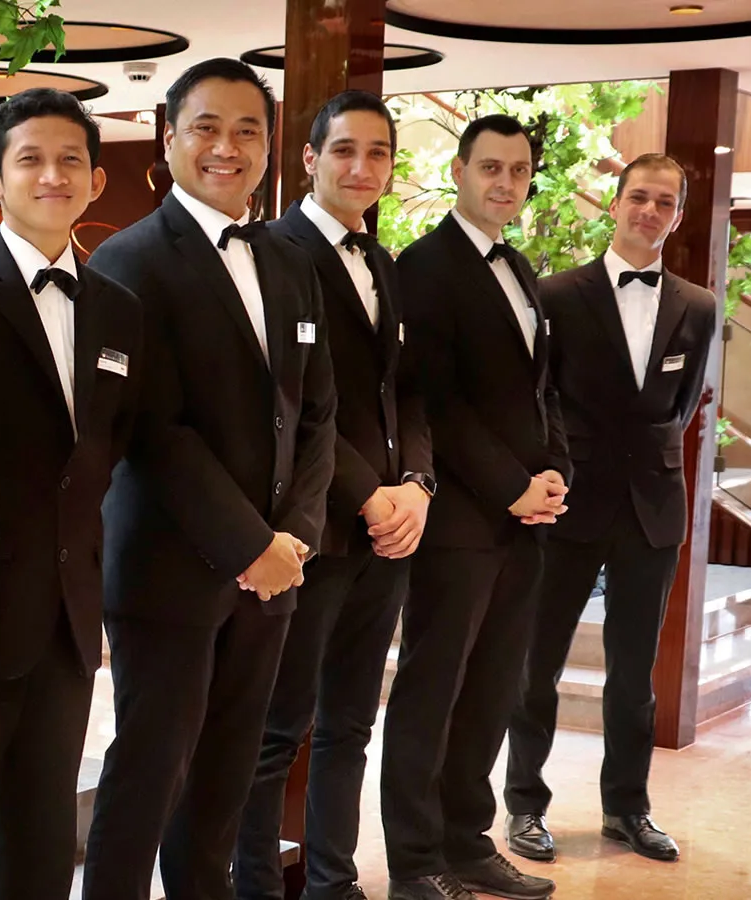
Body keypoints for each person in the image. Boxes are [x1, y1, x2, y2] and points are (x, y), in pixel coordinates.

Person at [82, 57, 338, 900]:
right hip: (169, 568)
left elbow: (316, 412)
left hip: (273, 573)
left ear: (271, 148)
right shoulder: (125, 261)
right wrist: (247, 544)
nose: (227, 147)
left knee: (230, 771)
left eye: (247, 130)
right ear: (169, 138)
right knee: (151, 769)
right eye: (207, 127)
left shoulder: (291, 260)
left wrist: (293, 536)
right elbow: (153, 430)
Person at [0, 87, 144, 900]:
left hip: (66, 616)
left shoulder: (120, 311)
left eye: (72, 160)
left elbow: (106, 448)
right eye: (31, 159)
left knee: (43, 831)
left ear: (95, 179)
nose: (53, 175)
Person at [235, 90, 431, 900]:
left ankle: (331, 883)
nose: (362, 167)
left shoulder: (385, 261)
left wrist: (416, 485)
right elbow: (292, 402)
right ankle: (252, 886)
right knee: (276, 729)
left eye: (378, 153)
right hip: (313, 530)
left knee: (351, 723)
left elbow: (407, 394)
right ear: (309, 159)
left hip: (389, 535)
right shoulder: (275, 253)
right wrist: (370, 494)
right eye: (344, 150)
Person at [503, 153, 716, 865]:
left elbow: (679, 411)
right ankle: (525, 807)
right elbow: (539, 397)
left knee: (634, 672)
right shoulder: (558, 294)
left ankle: (628, 808)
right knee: (537, 664)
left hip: (652, 507)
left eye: (663, 202)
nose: (648, 212)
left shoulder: (699, 305)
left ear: (677, 216)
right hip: (568, 501)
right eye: (638, 198)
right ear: (614, 204)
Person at [380, 114, 567, 900]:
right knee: (434, 691)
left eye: (519, 171)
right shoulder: (424, 267)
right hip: (458, 518)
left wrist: (553, 471)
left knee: (493, 687)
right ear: (458, 171)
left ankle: (467, 840)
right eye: (490, 167)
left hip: (523, 519)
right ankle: (415, 862)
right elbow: (437, 401)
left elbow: (540, 387)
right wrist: (509, 484)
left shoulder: (520, 267)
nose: (505, 183)